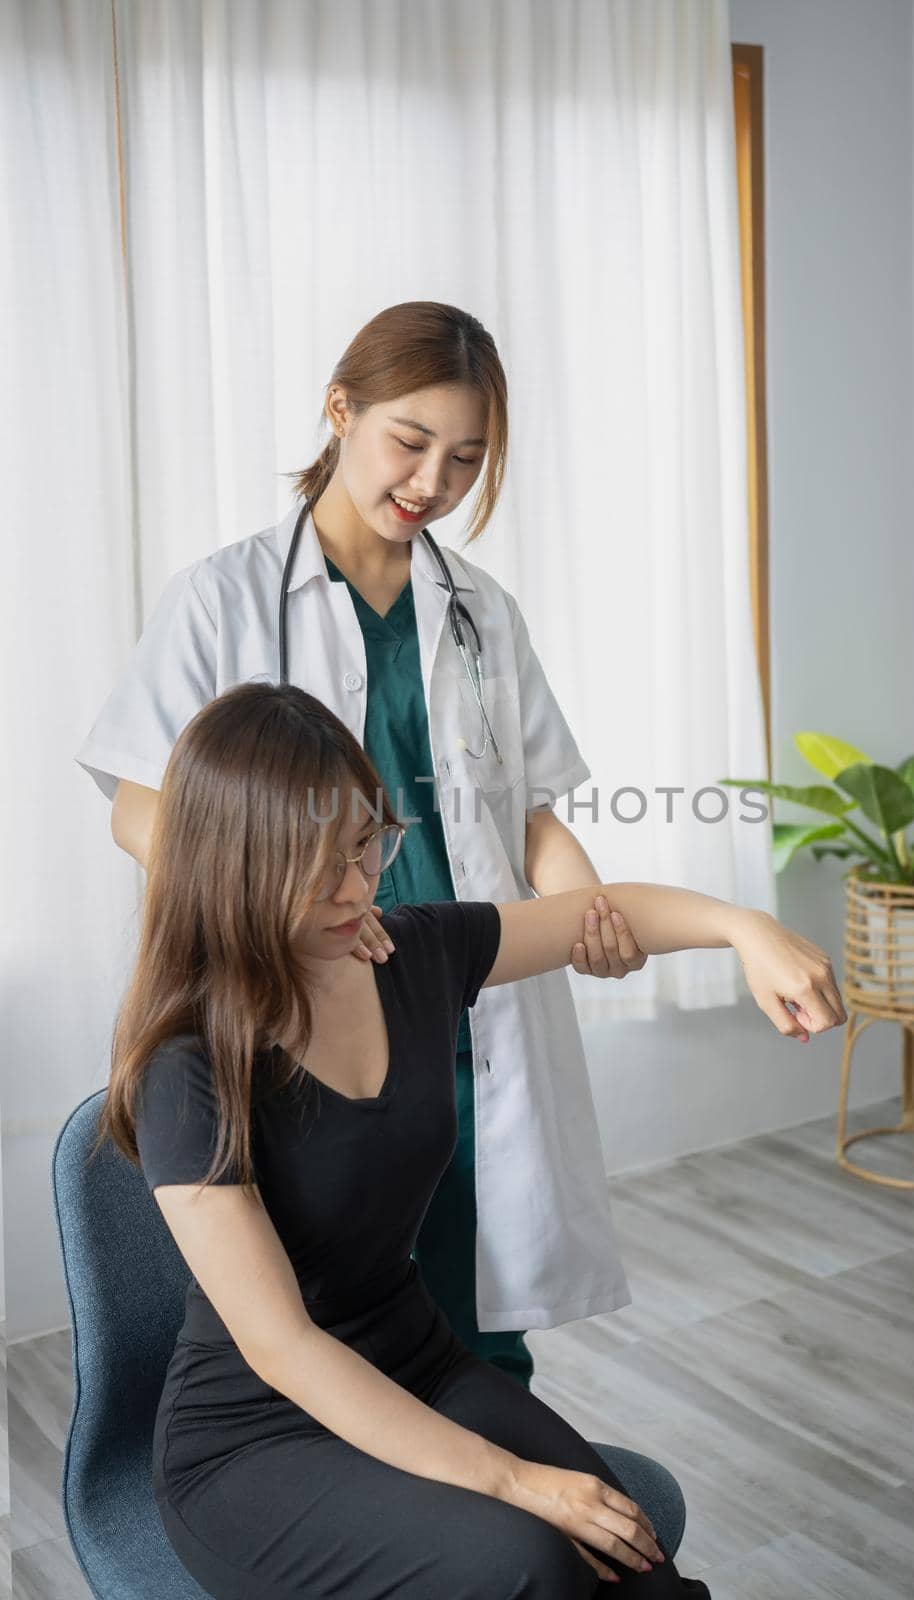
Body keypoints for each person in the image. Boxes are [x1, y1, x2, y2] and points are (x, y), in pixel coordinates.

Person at [99, 682, 846, 1599]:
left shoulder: (409, 956)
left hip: (415, 1364)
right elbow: (282, 1347)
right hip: (258, 1437)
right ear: (238, 864)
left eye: (365, 848)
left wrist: (744, 928)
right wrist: (514, 1480)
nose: (355, 887)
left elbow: (595, 916)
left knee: (634, 1564)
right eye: (316, 865)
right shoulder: (192, 1067)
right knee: (523, 1559)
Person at [77, 300, 663, 1398]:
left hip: (457, 992)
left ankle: (495, 1516)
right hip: (302, 1000)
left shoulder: (479, 610)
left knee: (470, 1322)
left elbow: (525, 812)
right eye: (408, 440)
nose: (432, 480)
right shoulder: (225, 596)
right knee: (316, 1311)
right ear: (338, 409)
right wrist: (273, 911)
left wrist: (585, 908)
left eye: (466, 458)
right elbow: (137, 808)